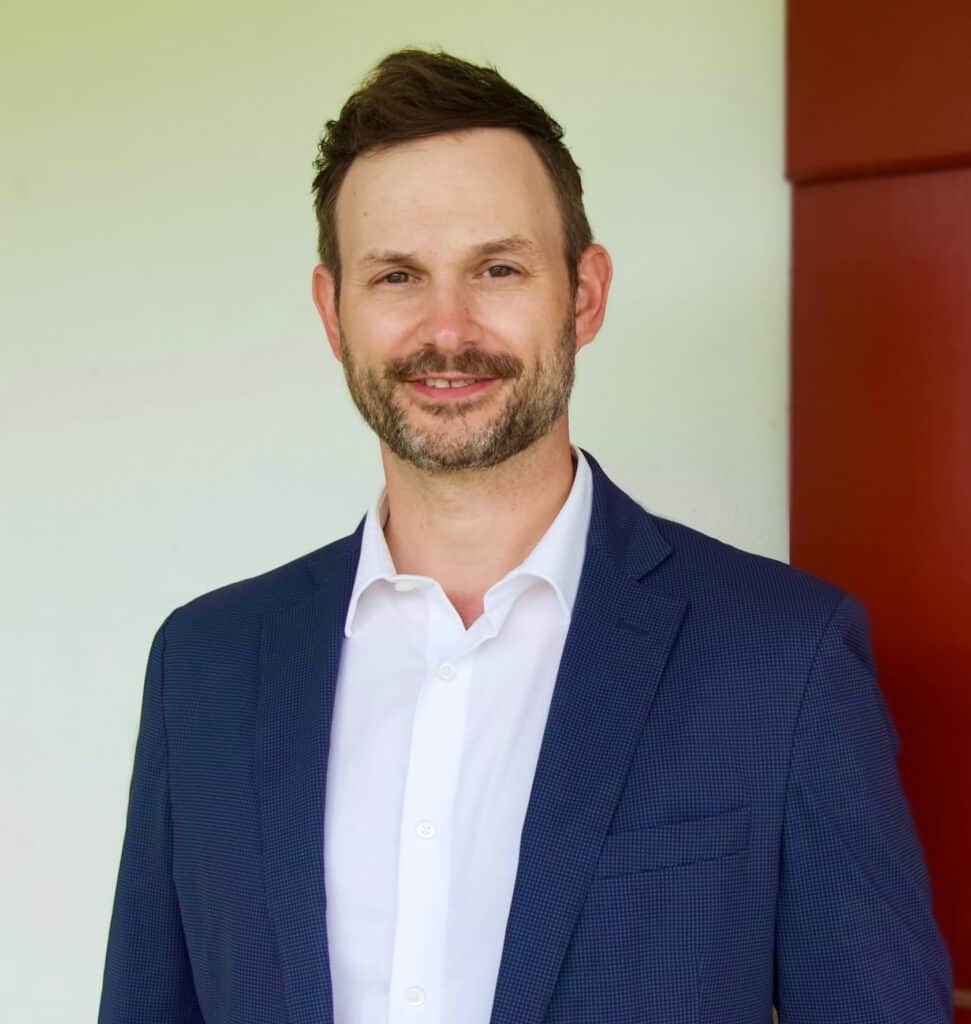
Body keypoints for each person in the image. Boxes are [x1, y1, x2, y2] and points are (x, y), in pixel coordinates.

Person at [98, 48, 952, 1024]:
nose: (447, 327)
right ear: (333, 312)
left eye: (496, 268)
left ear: (582, 295)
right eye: (396, 276)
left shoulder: (781, 659)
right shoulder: (202, 669)